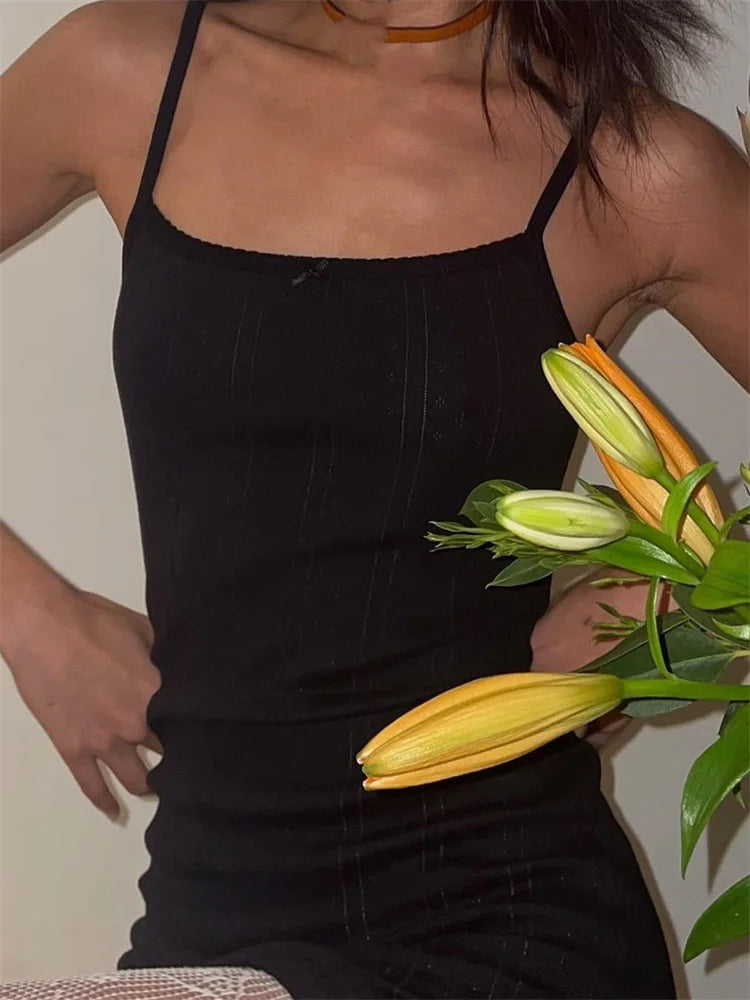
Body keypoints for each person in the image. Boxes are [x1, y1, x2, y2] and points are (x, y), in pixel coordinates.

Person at [1, 1, 747, 997]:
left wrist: (676, 604)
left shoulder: (633, 165)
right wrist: (28, 613)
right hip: (213, 902)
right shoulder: (129, 71)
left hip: (518, 920)